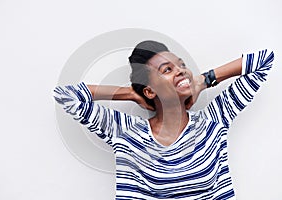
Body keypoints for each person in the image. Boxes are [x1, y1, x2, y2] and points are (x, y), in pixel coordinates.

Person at [53, 40, 274, 199]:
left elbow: (263, 62)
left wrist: (204, 80)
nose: (181, 71)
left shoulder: (214, 119)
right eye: (167, 69)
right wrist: (130, 93)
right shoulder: (125, 131)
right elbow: (67, 96)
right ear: (149, 91)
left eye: (181, 66)